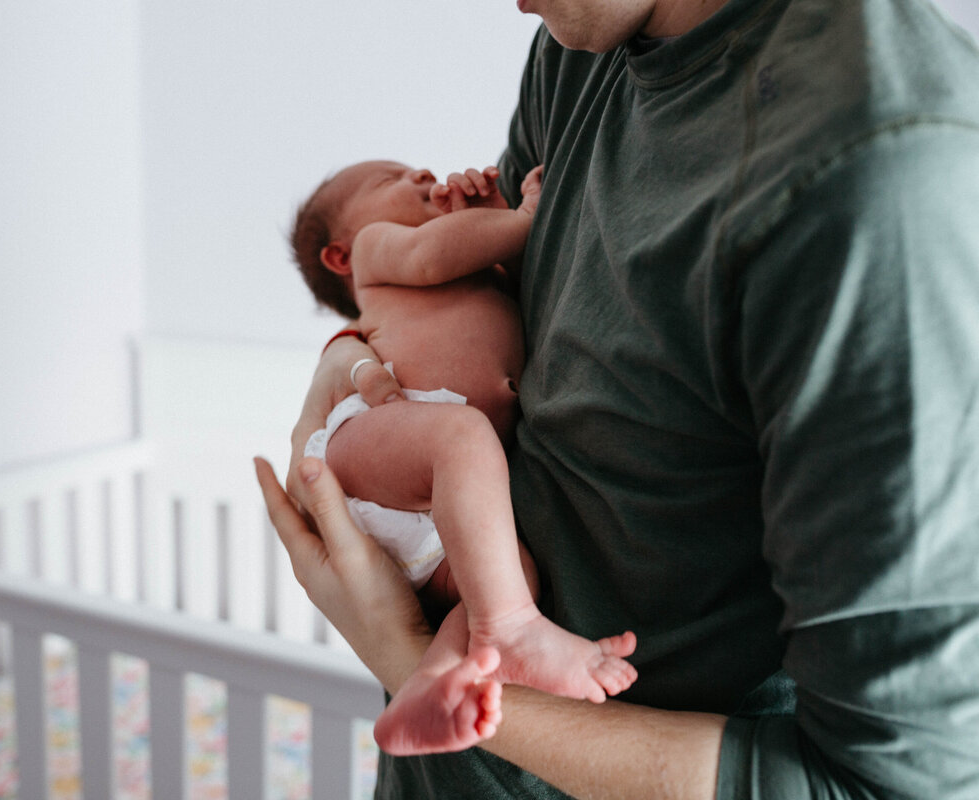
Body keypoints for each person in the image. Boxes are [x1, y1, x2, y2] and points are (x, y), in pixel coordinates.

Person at [257, 0, 979, 796]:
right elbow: (462, 308)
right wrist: (345, 359)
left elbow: (887, 785)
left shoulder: (877, 180)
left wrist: (401, 652)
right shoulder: (582, 47)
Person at [288, 159, 636, 755]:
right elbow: (430, 255)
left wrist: (492, 215)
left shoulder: (478, 267)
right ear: (340, 257)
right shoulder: (379, 252)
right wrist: (525, 217)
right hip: (377, 440)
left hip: (433, 495)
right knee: (463, 437)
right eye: (391, 179)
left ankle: (441, 678)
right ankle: (516, 629)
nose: (422, 171)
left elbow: (510, 270)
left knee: (507, 573)